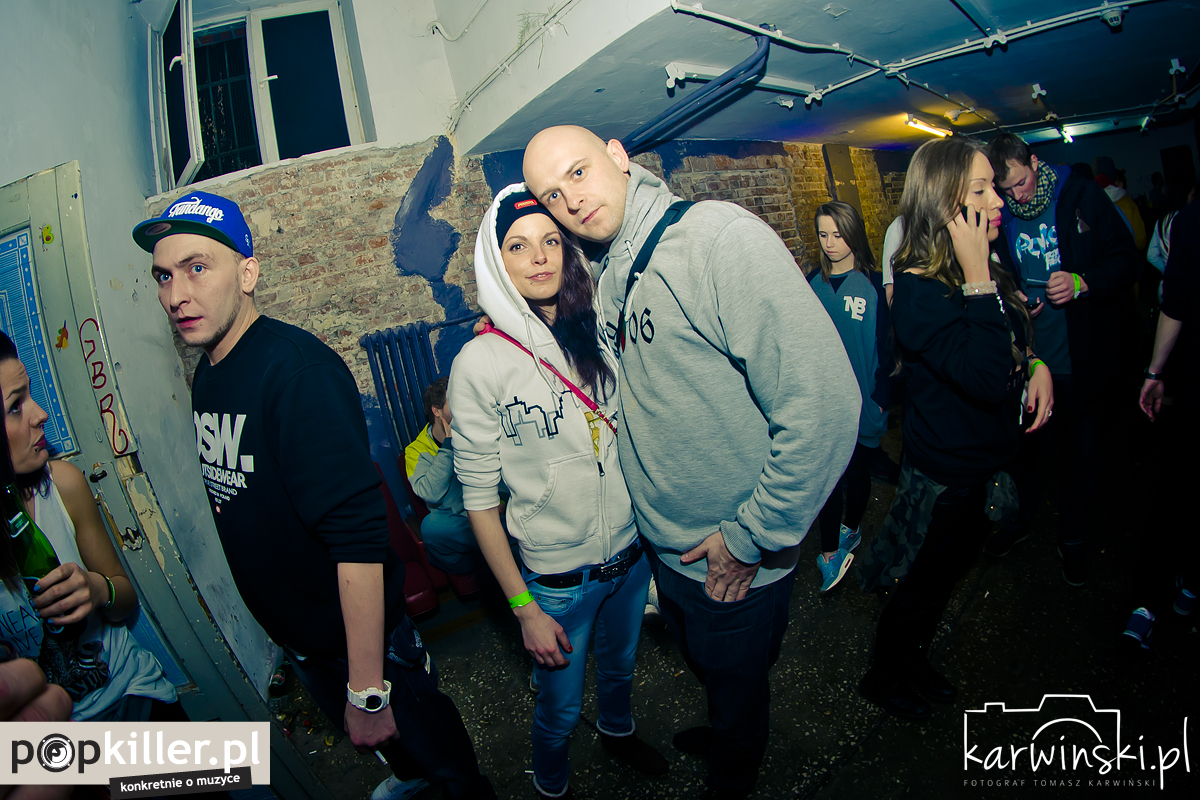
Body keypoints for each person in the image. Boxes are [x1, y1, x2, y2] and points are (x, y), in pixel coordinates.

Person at [522, 126, 859, 799]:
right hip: (670, 553)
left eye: (579, 172)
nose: (571, 201)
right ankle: (729, 729)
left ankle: (734, 767)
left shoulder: (716, 240)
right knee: (718, 676)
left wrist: (751, 537)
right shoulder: (610, 271)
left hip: (730, 559)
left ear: (618, 156)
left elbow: (825, 404)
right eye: (552, 195)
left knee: (739, 694)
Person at [134, 191, 493, 800]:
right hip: (304, 640)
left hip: (360, 645)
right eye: (164, 276)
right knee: (396, 752)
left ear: (247, 273)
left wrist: (368, 689)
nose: (175, 295)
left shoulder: (297, 372)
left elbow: (357, 540)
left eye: (197, 267)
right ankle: (412, 779)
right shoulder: (210, 373)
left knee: (438, 751)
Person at [450, 184, 666, 799]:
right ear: (497, 262)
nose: (539, 257)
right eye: (518, 246)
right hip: (557, 582)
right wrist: (525, 610)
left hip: (631, 557)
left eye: (550, 241)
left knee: (621, 669)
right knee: (560, 710)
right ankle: (551, 786)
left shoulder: (598, 332)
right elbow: (478, 502)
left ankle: (619, 733)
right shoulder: (480, 363)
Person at [858, 137, 1053, 721]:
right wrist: (976, 276)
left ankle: (913, 662)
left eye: (996, 187)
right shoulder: (920, 289)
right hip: (947, 477)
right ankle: (884, 677)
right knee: (922, 586)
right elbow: (986, 379)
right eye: (982, 190)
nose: (999, 201)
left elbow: (1011, 339)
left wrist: (1036, 366)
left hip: (985, 462)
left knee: (943, 583)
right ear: (946, 204)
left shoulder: (984, 263)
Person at [983, 133, 1140, 585]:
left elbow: (1127, 259)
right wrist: (1014, 297)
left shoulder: (1081, 195)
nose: (1017, 196)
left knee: (1081, 456)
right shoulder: (1001, 215)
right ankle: (1019, 523)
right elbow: (997, 273)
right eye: (1006, 189)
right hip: (1033, 359)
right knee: (1027, 454)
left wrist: (1082, 282)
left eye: (1021, 182)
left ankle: (1072, 540)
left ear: (1035, 162)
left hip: (1081, 358)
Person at [0, 332, 176, 721]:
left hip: (133, 697)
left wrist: (97, 590)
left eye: (30, 395)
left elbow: (124, 598)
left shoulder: (62, 484)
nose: (40, 414)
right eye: (15, 406)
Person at [807, 202, 894, 592]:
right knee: (828, 479)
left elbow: (889, 347)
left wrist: (881, 397)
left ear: (853, 234)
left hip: (864, 402)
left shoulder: (873, 284)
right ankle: (829, 554)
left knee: (858, 473)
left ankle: (852, 528)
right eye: (823, 235)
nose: (830, 243)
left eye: (838, 235)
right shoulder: (813, 282)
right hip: (825, 403)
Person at [1126, 195, 1199, 646]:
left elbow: (1174, 300)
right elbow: (1176, 299)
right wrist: (1155, 372)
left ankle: (1155, 599)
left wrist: (1154, 372)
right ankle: (1160, 596)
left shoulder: (1190, 219)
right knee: (1177, 489)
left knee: (1176, 493)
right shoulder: (1191, 220)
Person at [404, 377, 483, 576]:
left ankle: (496, 547)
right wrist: (448, 446)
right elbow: (430, 494)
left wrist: (502, 501)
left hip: (486, 512)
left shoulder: (476, 432)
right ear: (437, 411)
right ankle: (495, 547)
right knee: (431, 526)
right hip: (457, 524)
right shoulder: (415, 451)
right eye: (454, 402)